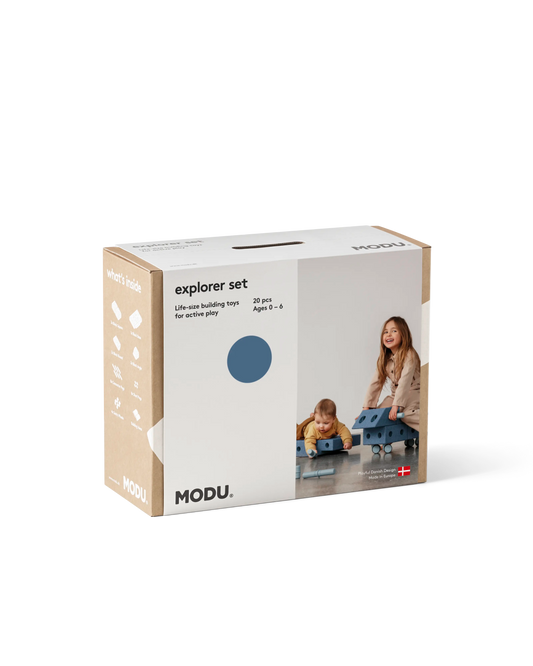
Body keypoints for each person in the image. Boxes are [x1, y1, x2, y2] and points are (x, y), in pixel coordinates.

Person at [361, 316, 420, 433]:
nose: (388, 335)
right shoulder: (385, 358)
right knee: (378, 416)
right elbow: (375, 383)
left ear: (403, 334)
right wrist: (366, 409)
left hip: (415, 392)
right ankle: (384, 438)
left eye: (394, 331)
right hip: (395, 395)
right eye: (385, 332)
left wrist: (396, 405)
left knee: (405, 414)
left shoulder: (410, 355)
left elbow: (405, 382)